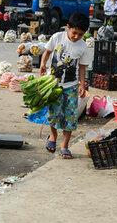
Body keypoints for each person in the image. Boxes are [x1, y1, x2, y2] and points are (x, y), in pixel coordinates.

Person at [38, 12, 92, 159]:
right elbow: (47, 52)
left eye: (80, 34)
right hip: (54, 84)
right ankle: (53, 137)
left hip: (71, 86)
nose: (76, 36)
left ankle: (65, 146)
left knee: (70, 116)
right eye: (74, 32)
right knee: (54, 113)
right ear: (68, 27)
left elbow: (82, 67)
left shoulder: (82, 47)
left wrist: (82, 84)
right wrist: (43, 64)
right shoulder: (57, 37)